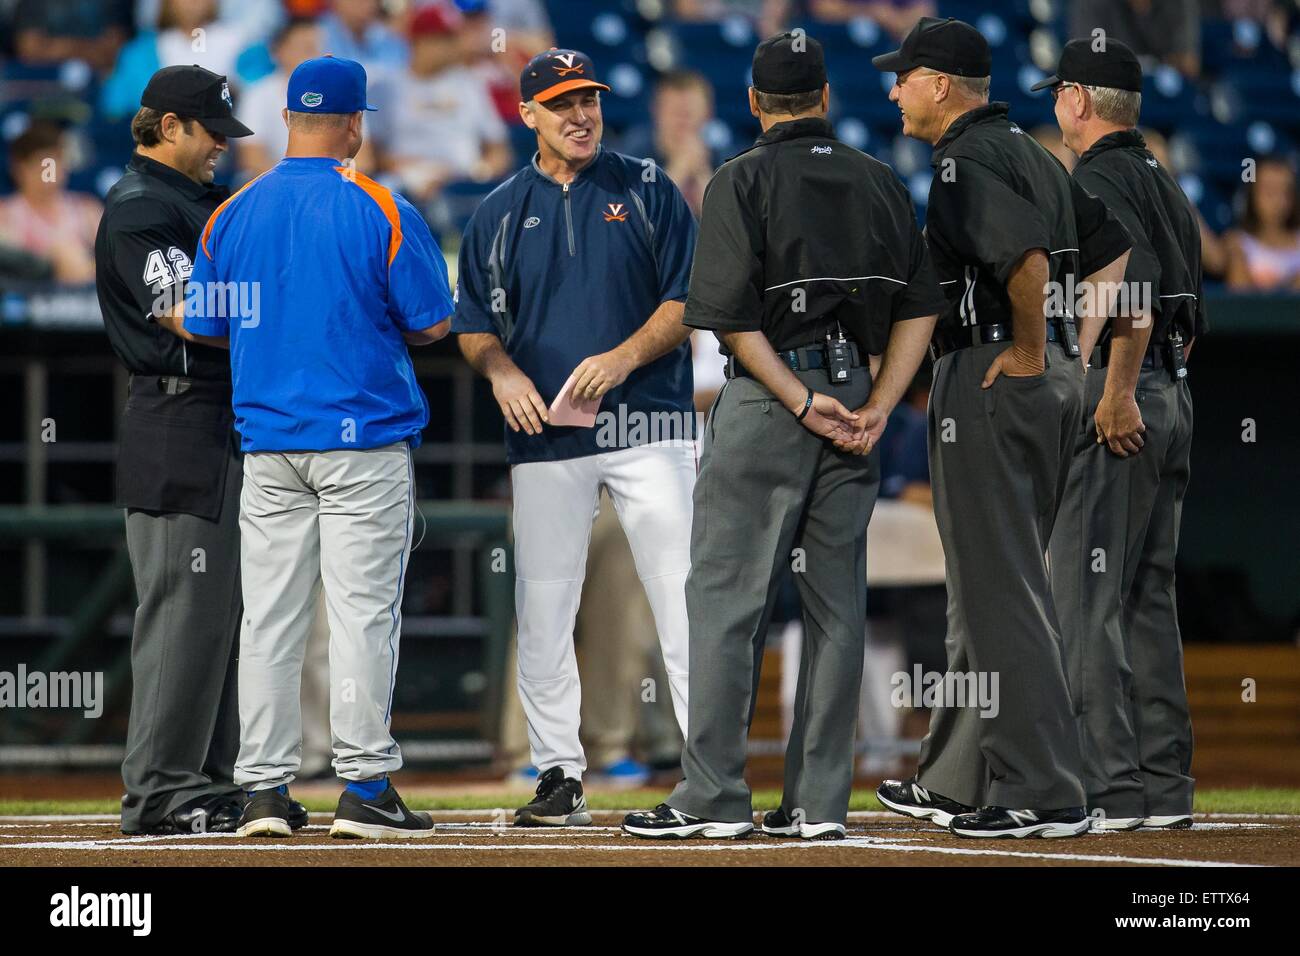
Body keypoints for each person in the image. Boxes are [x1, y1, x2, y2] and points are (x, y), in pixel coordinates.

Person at [622, 31, 944, 842]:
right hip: (857, 401)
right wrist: (877, 405)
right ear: (827, 98)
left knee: (727, 602)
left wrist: (801, 401)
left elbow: (727, 320)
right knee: (838, 607)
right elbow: (920, 308)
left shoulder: (740, 178)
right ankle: (816, 805)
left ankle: (714, 797)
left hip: (775, 399)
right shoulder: (879, 179)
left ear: (757, 104)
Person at [868, 17, 1132, 839]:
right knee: (985, 593)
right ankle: (955, 777)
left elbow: (1023, 259)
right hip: (1049, 378)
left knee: (1006, 593)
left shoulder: (961, 159)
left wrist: (1024, 350)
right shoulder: (1035, 152)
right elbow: (1115, 253)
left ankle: (1046, 792)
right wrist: (1071, 357)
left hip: (995, 377)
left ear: (941, 86)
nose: (893, 89)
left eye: (904, 76)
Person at [182, 55, 454, 839]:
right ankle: (365, 786)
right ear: (354, 124)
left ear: (288, 121)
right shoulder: (379, 205)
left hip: (269, 445)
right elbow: (433, 323)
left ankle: (264, 791)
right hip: (362, 441)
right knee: (361, 616)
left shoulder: (232, 212)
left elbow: (203, 325)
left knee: (269, 620)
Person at [452, 48, 699, 827]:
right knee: (545, 609)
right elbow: (474, 326)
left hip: (651, 426)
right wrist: (498, 373)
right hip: (547, 437)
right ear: (527, 114)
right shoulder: (495, 210)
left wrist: (624, 355)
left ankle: (710, 771)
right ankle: (558, 773)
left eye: (588, 98)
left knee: (685, 601)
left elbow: (688, 301)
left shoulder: (650, 188)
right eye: (561, 103)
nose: (580, 113)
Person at [94, 65, 306, 835]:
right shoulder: (141, 207)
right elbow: (190, 315)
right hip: (179, 421)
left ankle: (209, 783)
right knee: (184, 612)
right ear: (169, 126)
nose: (223, 144)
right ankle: (159, 791)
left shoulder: (198, 200)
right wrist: (291, 310)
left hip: (226, 419)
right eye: (211, 130)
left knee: (221, 616)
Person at [1039, 37, 1204, 831]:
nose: (1053, 106)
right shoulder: (1163, 176)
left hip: (1128, 399)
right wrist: (1156, 380)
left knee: (1086, 596)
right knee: (1147, 598)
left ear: (1078, 98)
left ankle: (1109, 786)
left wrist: (1115, 392)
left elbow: (1132, 283)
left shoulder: (1097, 175)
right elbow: (1190, 305)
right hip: (1172, 390)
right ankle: (1164, 786)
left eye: (1057, 93)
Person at [379, 4, 511, 205]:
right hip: (408, 184)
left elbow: (498, 149)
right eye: (446, 39)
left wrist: (483, 171)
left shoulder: (471, 83)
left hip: (466, 182)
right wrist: (415, 170)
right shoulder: (387, 86)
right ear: (421, 42)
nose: (456, 45)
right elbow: (372, 153)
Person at [0, 122, 103, 285]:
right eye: (41, 164)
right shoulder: (5, 213)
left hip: (86, 300)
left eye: (56, 162)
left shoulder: (86, 209)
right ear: (20, 168)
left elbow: (118, 261)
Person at [234, 17, 324, 179]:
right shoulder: (258, 93)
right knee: (245, 179)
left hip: (326, 183)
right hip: (278, 180)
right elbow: (251, 156)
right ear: (279, 51)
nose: (315, 57)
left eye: (318, 49)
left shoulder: (341, 92)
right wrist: (293, 181)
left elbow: (364, 159)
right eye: (306, 49)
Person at [1225, 157, 1300, 291]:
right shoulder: (1237, 244)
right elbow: (1239, 300)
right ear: (1252, 194)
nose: (1278, 201)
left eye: (1285, 192)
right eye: (1269, 192)